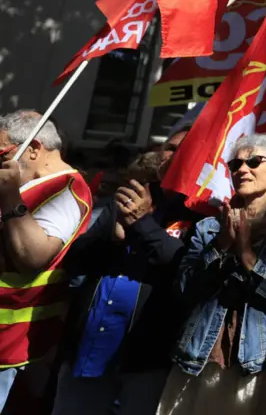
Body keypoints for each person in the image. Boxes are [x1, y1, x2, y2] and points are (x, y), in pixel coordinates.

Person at [156, 133, 266, 415]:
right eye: (235, 164)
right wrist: (222, 245)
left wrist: (246, 252)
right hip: (199, 358)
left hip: (256, 363)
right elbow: (185, 289)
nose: (243, 169)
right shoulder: (209, 228)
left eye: (254, 161)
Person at [53, 141, 198, 415]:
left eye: (184, 148)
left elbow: (182, 268)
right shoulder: (130, 197)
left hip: (146, 361)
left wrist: (141, 224)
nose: (172, 155)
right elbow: (74, 261)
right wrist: (113, 239)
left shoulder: (199, 212)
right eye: (170, 147)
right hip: (90, 348)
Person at [0, 111, 93, 411]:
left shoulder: (67, 189)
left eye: (3, 154)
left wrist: (11, 196)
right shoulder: (24, 185)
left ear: (34, 148)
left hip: (14, 342)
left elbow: (32, 254)